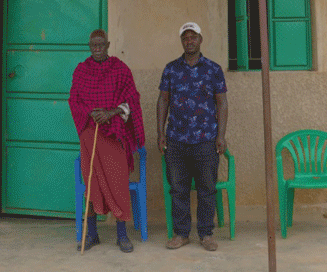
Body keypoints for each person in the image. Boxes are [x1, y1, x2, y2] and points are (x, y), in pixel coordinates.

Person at [69, 29, 145, 253]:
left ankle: (122, 235)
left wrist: (111, 113)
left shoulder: (120, 69)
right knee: (91, 182)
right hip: (90, 135)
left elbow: (132, 100)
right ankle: (92, 234)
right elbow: (74, 100)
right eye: (94, 45)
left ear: (108, 44)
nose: (98, 49)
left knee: (118, 182)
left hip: (114, 135)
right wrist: (92, 113)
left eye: (102, 45)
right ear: (89, 46)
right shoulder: (81, 71)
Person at [157, 22, 228, 252]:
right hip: (176, 139)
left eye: (193, 37)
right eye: (185, 37)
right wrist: (161, 133)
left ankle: (206, 234)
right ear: (181, 41)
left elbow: (222, 103)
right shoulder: (170, 69)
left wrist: (221, 135)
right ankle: (181, 233)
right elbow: (163, 100)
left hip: (206, 139)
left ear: (200, 40)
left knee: (207, 189)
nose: (189, 41)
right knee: (179, 189)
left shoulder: (213, 69)